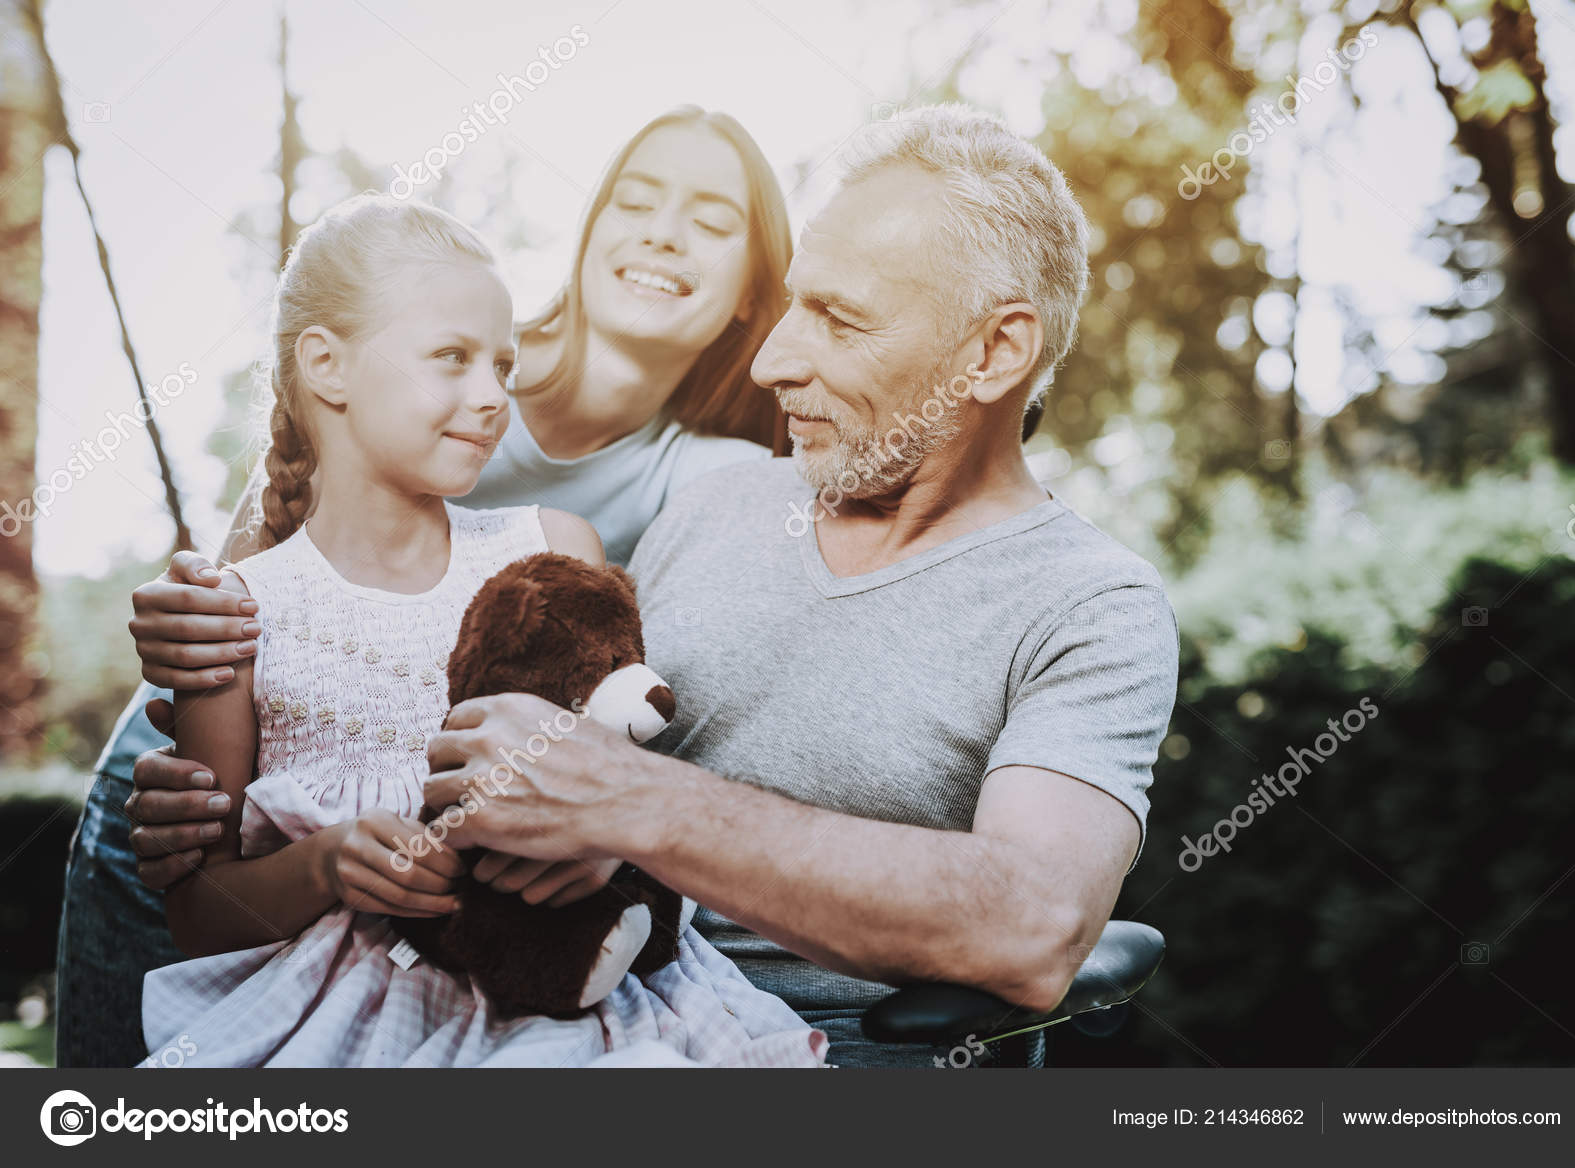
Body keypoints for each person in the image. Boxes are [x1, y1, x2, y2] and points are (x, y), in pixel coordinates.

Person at [125, 104, 1181, 1068]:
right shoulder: (715, 505)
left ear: (995, 350)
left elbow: (1032, 924)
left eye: (839, 320)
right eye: (790, 306)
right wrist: (217, 640)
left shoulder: (1089, 604)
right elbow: (388, 546)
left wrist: (634, 809)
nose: (773, 362)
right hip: (535, 1013)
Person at [56, 106, 794, 1069]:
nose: (663, 230)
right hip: (203, 791)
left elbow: (649, 708)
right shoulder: (441, 324)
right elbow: (265, 545)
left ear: (751, 290)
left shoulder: (712, 475)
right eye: (638, 197)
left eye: (712, 217)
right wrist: (192, 604)